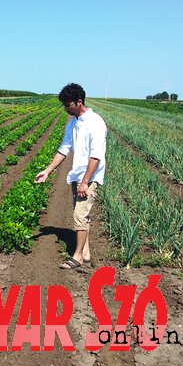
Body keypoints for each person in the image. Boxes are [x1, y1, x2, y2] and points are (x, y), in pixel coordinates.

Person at [34, 83, 107, 269]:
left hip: (89, 177)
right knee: (82, 216)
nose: (65, 108)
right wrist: (48, 170)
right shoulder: (72, 124)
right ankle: (86, 253)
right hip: (77, 176)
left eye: (68, 105)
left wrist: (85, 182)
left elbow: (96, 156)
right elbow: (64, 149)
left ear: (79, 102)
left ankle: (77, 257)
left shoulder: (96, 123)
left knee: (79, 215)